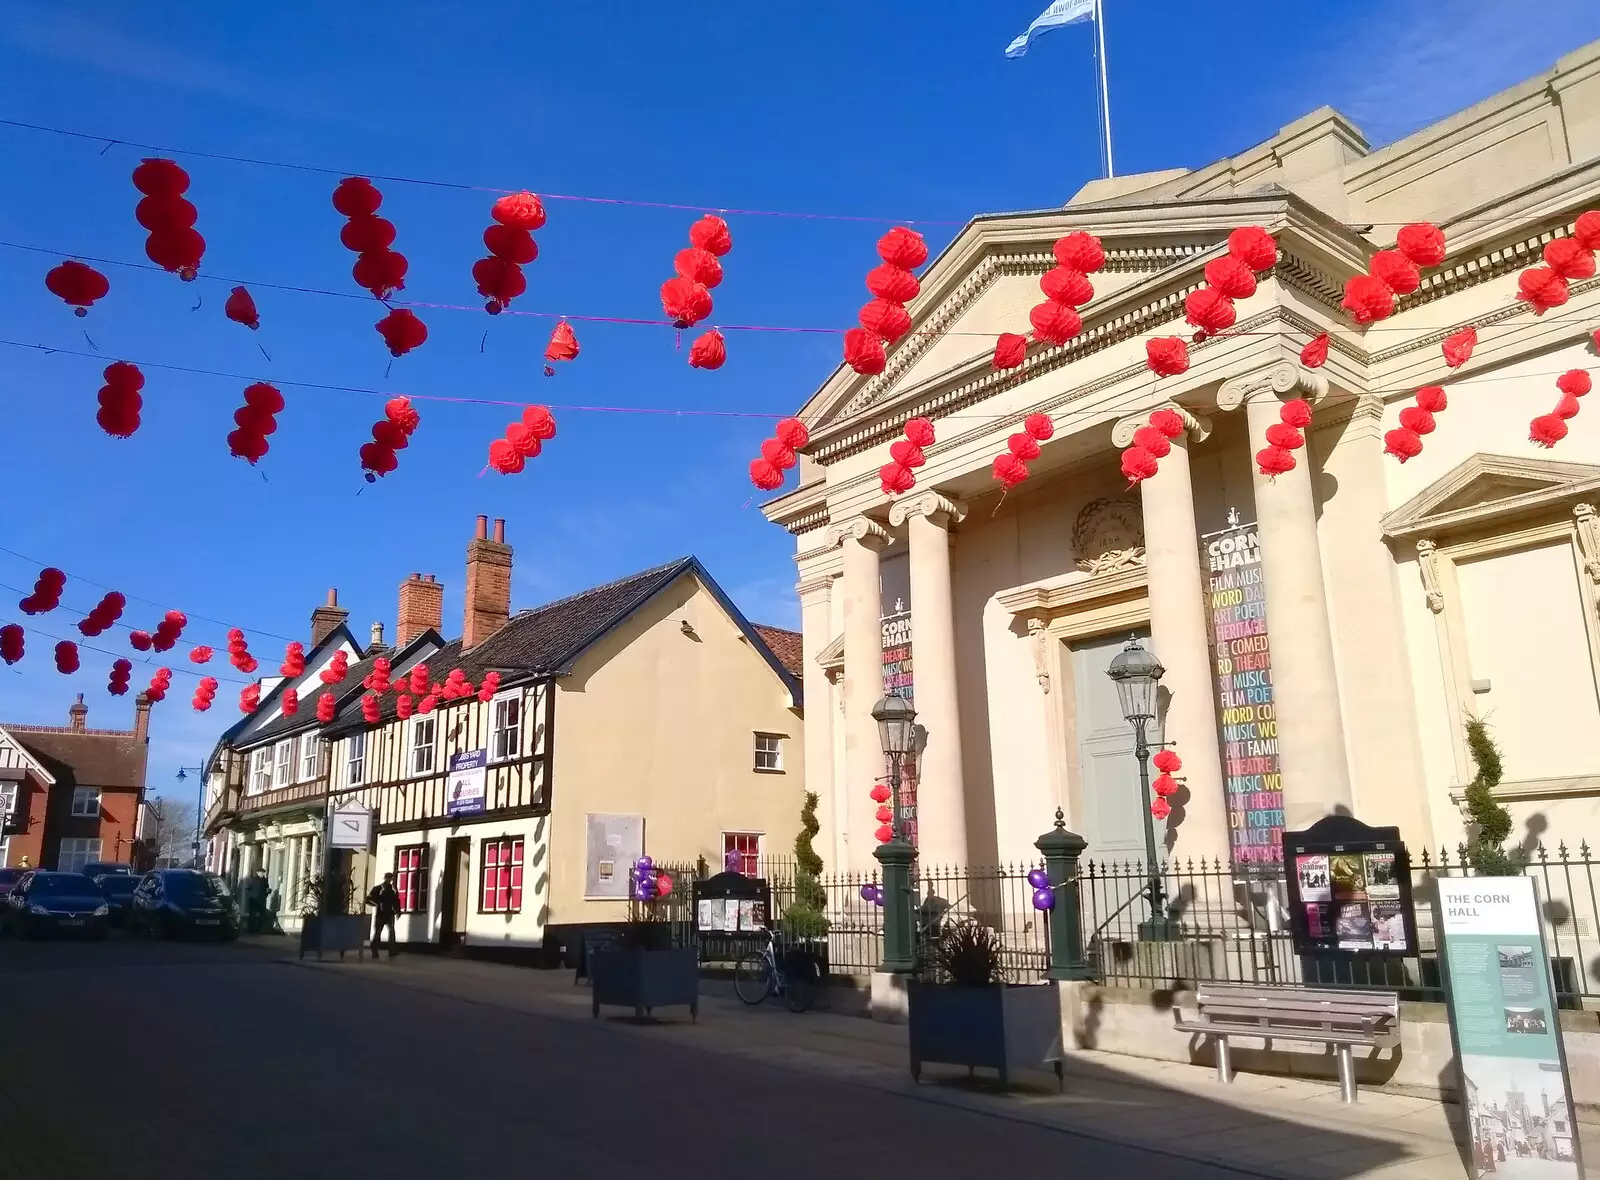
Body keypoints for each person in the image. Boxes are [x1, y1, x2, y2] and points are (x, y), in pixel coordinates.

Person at [366, 872, 400, 959]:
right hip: (380, 914)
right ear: (385, 878)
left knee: (392, 932)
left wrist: (397, 911)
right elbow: (368, 899)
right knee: (378, 933)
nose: (389, 880)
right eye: (388, 878)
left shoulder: (392, 889)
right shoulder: (378, 888)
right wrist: (377, 903)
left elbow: (396, 901)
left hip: (389, 913)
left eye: (391, 878)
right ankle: (374, 951)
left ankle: (392, 951)